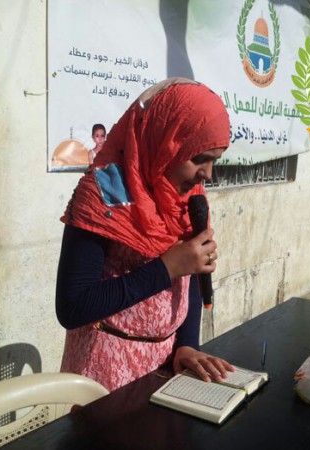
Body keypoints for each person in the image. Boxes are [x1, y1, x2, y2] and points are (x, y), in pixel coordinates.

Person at [55, 78, 234, 391]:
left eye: (214, 161)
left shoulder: (187, 197)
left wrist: (187, 344)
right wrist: (166, 268)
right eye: (198, 159)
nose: (207, 174)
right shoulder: (101, 195)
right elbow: (73, 306)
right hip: (105, 374)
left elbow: (190, 278)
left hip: (166, 364)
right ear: (165, 142)